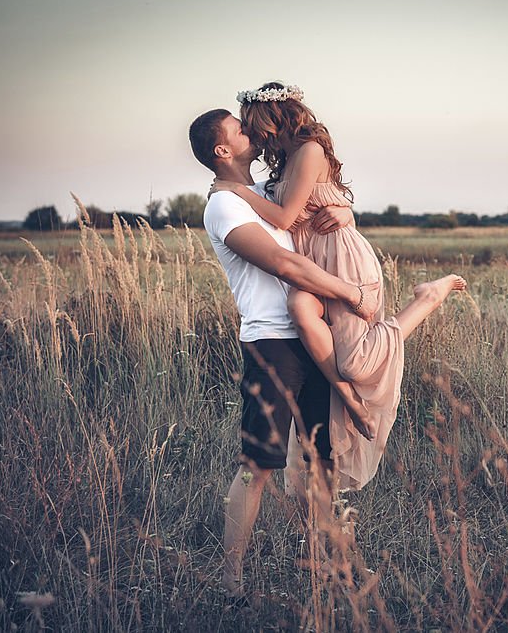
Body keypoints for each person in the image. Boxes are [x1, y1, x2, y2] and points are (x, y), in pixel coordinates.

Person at [211, 82, 466, 492]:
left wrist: (238, 189)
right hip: (317, 266)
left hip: (343, 263)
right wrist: (341, 208)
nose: (253, 135)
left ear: (275, 119)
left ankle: (427, 299)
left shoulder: (307, 151)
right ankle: (344, 407)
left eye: (253, 126)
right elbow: (291, 210)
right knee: (308, 319)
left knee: (355, 364)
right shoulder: (284, 164)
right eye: (244, 130)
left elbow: (283, 216)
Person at [190, 108, 375, 595]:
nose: (251, 132)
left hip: (311, 333)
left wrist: (346, 212)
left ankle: (323, 562)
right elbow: (285, 263)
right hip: (272, 343)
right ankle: (230, 579)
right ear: (222, 151)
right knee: (259, 464)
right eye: (239, 129)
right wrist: (351, 293)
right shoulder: (224, 206)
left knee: (320, 458)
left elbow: (305, 218)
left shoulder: (263, 196)